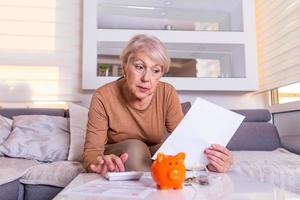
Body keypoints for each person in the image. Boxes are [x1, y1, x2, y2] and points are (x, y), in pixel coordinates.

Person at [83, 34, 233, 176]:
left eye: (155, 71)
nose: (146, 78)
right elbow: (92, 153)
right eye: (139, 67)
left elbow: (185, 141)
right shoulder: (103, 96)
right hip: (121, 153)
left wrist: (210, 161)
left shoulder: (167, 92)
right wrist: (99, 164)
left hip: (152, 153)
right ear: (125, 67)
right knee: (135, 148)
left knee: (165, 151)